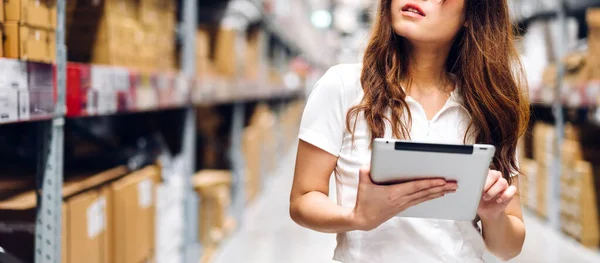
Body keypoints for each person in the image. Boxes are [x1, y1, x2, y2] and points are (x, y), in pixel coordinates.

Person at [289, 0, 530, 262]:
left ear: (473, 14)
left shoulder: (488, 105)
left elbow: (509, 247)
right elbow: (303, 199)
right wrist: (357, 217)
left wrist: (493, 215)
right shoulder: (344, 87)